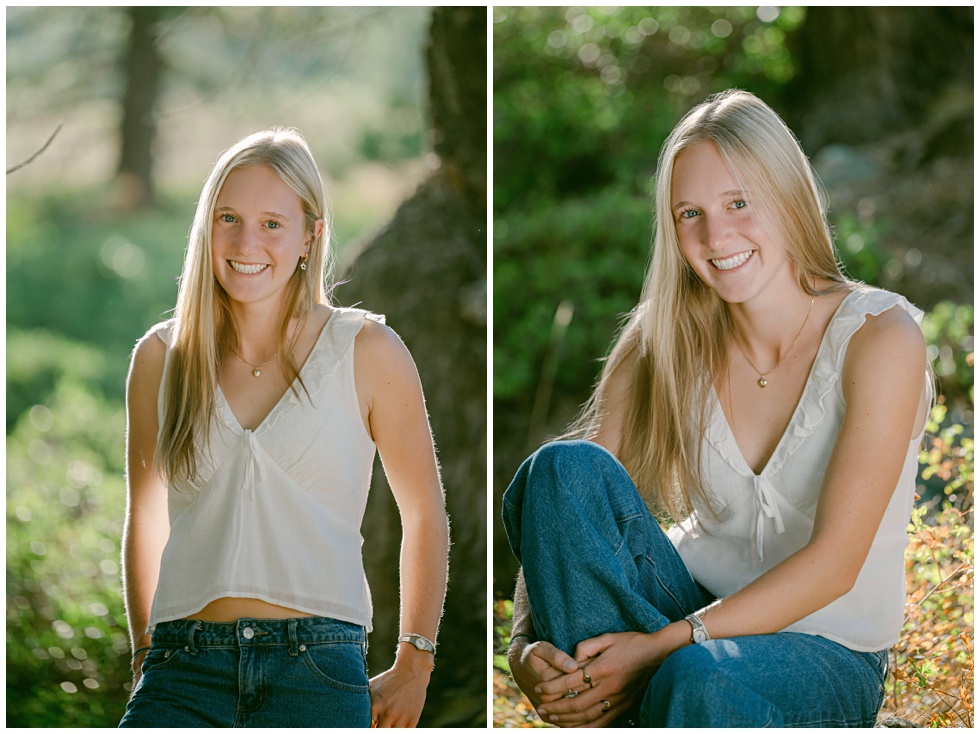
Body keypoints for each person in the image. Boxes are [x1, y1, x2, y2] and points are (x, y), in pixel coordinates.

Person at [502, 90, 930, 727]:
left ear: (788, 196)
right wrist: (521, 647)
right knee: (561, 468)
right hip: (678, 607)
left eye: (739, 203)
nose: (715, 235)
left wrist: (659, 648)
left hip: (823, 652)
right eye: (689, 214)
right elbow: (563, 514)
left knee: (698, 676)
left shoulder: (878, 338)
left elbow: (836, 565)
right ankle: (597, 695)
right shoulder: (662, 338)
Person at [119, 128, 449, 728]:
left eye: (273, 223)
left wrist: (414, 661)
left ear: (310, 234)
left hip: (318, 669)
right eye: (228, 217)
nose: (247, 241)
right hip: (182, 668)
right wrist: (145, 654)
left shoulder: (366, 348)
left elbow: (424, 512)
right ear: (206, 226)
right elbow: (145, 516)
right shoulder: (162, 357)